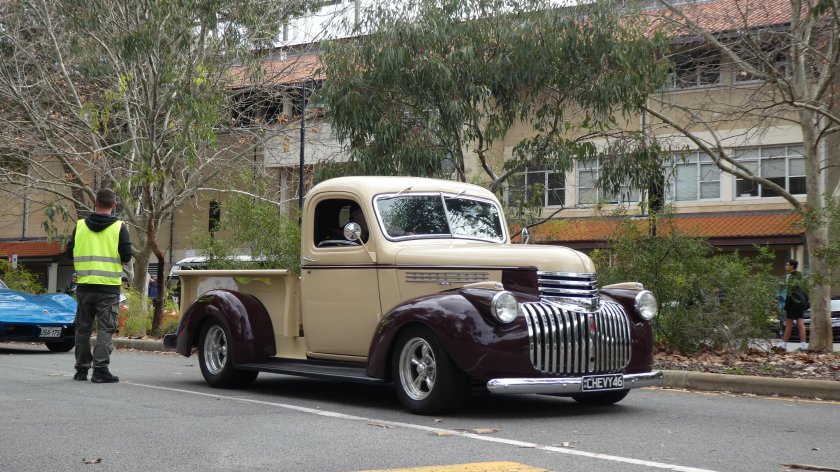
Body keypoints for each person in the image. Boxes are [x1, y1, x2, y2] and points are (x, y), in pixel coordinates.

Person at [65, 188, 133, 383]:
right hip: (108, 287)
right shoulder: (120, 227)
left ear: (95, 203)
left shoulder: (80, 226)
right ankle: (100, 370)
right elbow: (127, 256)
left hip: (85, 286)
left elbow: (70, 253)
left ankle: (81, 370)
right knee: (105, 329)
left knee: (83, 329)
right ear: (114, 205)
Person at [781, 259, 808, 352]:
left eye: (787, 265)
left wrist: (786, 306)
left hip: (792, 303)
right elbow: (805, 290)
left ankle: (784, 346)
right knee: (801, 324)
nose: (786, 266)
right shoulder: (801, 275)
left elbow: (789, 292)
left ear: (792, 266)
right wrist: (806, 303)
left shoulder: (789, 276)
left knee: (788, 325)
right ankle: (804, 346)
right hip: (801, 302)